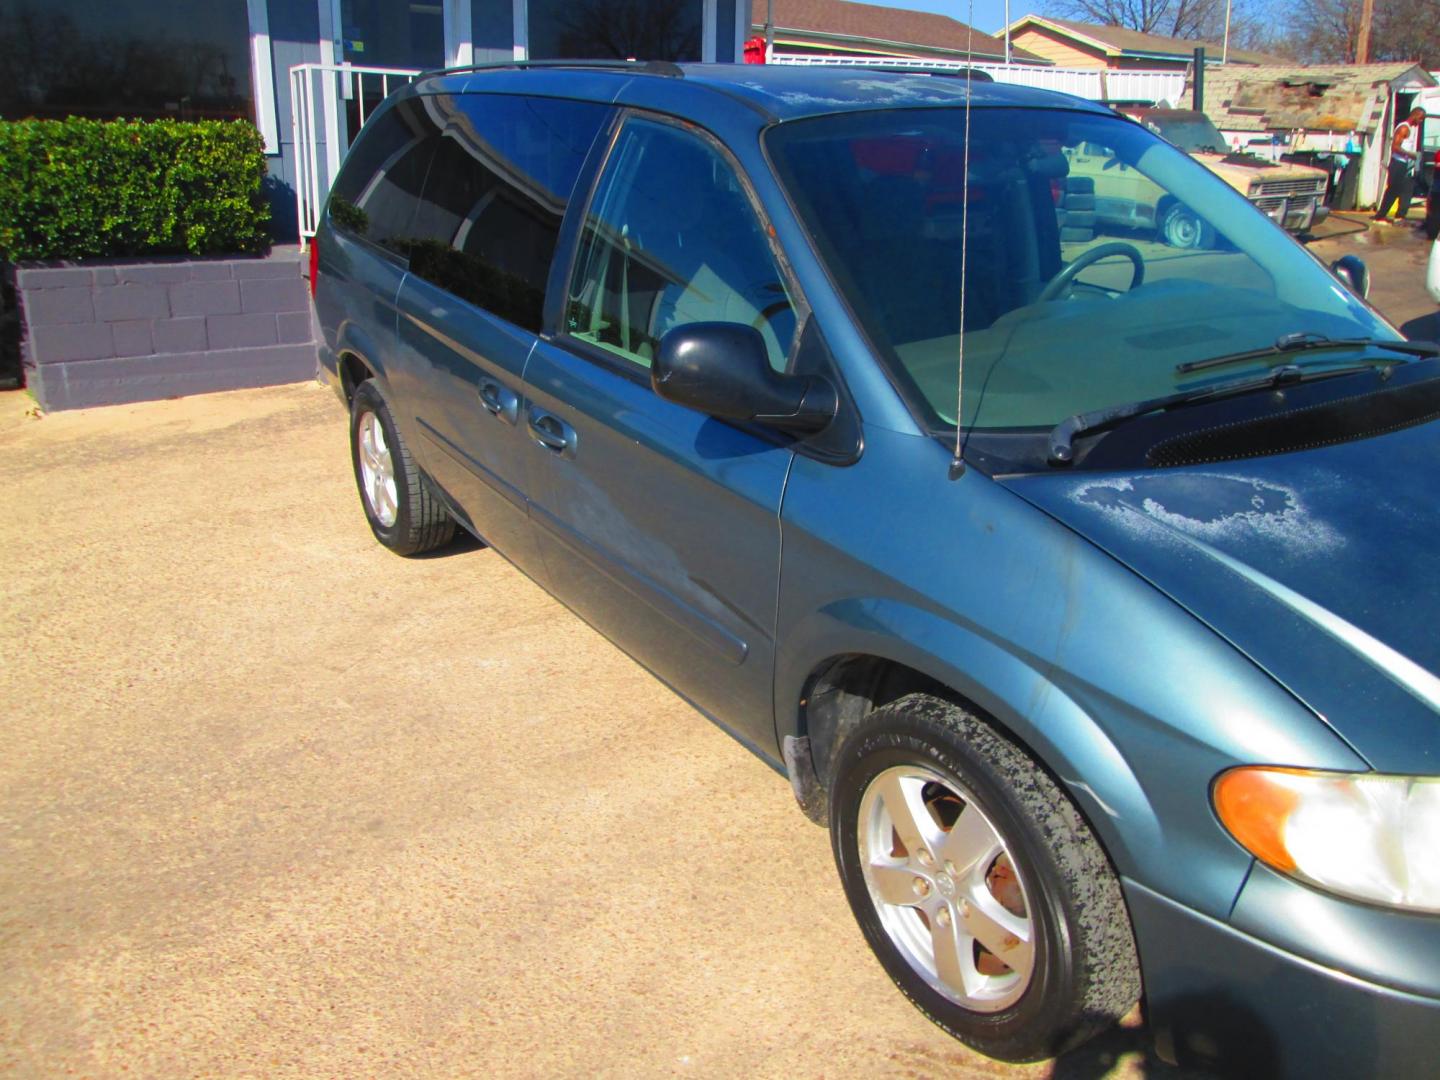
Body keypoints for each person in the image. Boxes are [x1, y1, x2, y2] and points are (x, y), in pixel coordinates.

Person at [1373, 107, 1426, 224]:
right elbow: (1395, 147)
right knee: (1393, 189)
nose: (1420, 122)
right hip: (1398, 163)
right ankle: (1380, 215)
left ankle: (1400, 215)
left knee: (1407, 189)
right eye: (1421, 119)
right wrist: (1410, 154)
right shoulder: (1403, 128)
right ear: (1415, 115)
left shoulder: (1410, 129)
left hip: (1405, 164)